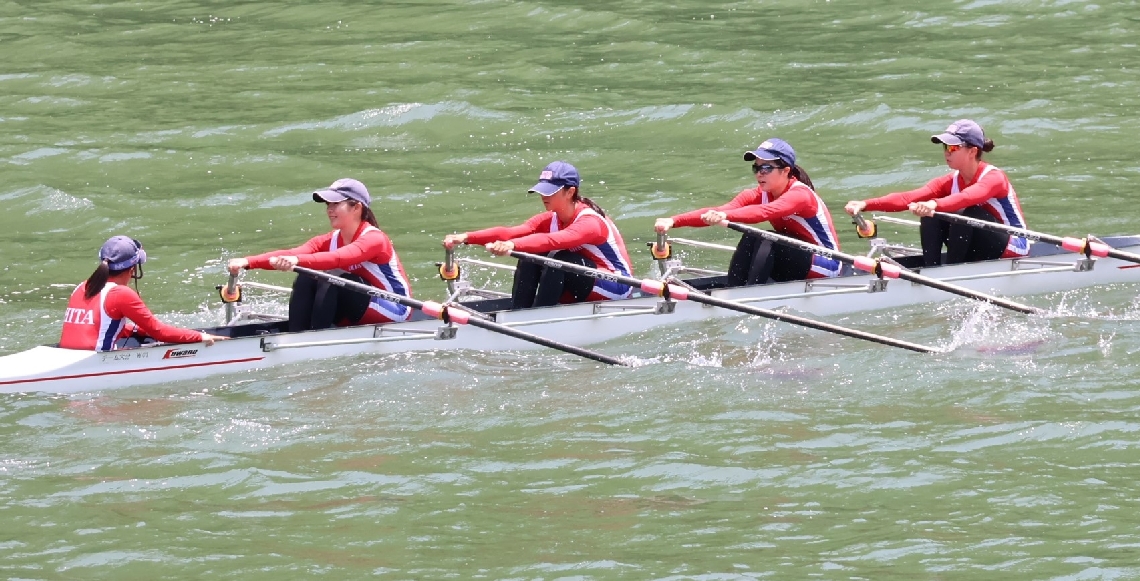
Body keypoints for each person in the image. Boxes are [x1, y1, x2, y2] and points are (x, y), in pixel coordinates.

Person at [227, 178, 413, 332]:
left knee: (332, 276)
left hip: (394, 308)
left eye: (335, 204)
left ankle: (316, 338)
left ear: (356, 207)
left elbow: (339, 258)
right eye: (328, 204)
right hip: (359, 306)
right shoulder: (329, 240)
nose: (329, 209)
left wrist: (296, 261)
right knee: (307, 277)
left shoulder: (375, 239)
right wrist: (248, 262)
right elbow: (293, 253)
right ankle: (297, 334)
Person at [442, 161, 634, 309]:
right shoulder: (551, 219)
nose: (543, 196)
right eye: (542, 191)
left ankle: (539, 317)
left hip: (616, 286)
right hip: (582, 284)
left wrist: (512, 246)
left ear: (570, 192)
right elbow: (510, 232)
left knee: (559, 259)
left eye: (550, 192)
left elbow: (553, 240)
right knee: (531, 258)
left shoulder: (590, 222)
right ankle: (520, 313)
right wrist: (466, 237)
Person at [654, 138, 842, 286]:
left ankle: (748, 295)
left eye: (766, 168)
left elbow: (765, 212)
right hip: (792, 260)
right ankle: (735, 290)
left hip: (826, 265)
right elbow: (722, 210)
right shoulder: (759, 193)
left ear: (786, 170)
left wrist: (725, 217)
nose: (759, 173)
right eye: (756, 167)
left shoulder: (800, 195)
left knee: (765, 237)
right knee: (751, 237)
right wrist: (673, 221)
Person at [844, 119, 1029, 267]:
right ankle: (932, 269)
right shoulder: (950, 181)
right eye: (945, 147)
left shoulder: (995, 178)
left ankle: (951, 273)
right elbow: (907, 198)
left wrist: (934, 204)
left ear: (973, 151)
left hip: (1014, 246)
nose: (946, 152)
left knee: (963, 211)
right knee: (932, 216)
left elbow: (968, 196)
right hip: (980, 244)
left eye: (953, 148)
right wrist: (865, 204)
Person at [60, 236, 225, 351]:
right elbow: (159, 332)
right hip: (94, 364)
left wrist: (137, 329)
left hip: (66, 356)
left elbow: (99, 326)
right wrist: (199, 337)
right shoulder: (121, 293)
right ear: (133, 269)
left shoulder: (82, 286)